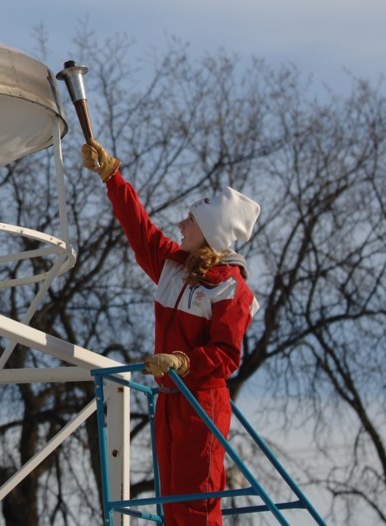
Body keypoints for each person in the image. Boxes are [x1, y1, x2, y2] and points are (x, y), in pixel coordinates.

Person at [81, 138, 261, 526]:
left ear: (212, 232)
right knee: (172, 506)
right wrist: (113, 177)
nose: (181, 224)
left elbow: (227, 355)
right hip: (169, 397)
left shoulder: (231, 287)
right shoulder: (173, 267)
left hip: (202, 401)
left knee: (196, 503)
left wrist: (182, 361)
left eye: (191, 221)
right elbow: (140, 229)